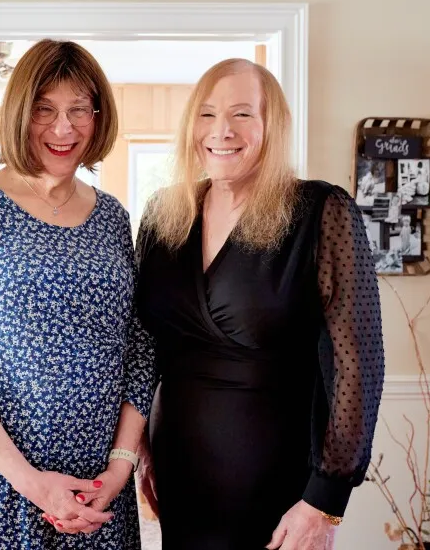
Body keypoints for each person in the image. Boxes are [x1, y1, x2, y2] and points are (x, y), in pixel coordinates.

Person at [134, 59, 385, 550]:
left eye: (242, 114)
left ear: (273, 127)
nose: (221, 131)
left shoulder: (320, 210)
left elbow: (359, 363)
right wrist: (140, 449)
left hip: (278, 477)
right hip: (180, 466)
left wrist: (325, 500)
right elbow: (145, 345)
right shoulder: (163, 215)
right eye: (206, 114)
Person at [0, 39, 156, 549]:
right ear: (19, 113)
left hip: (100, 485)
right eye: (44, 110)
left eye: (79, 110)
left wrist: (120, 467)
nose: (63, 128)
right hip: (2, 482)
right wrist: (32, 482)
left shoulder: (114, 217)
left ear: (98, 117)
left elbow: (140, 349)